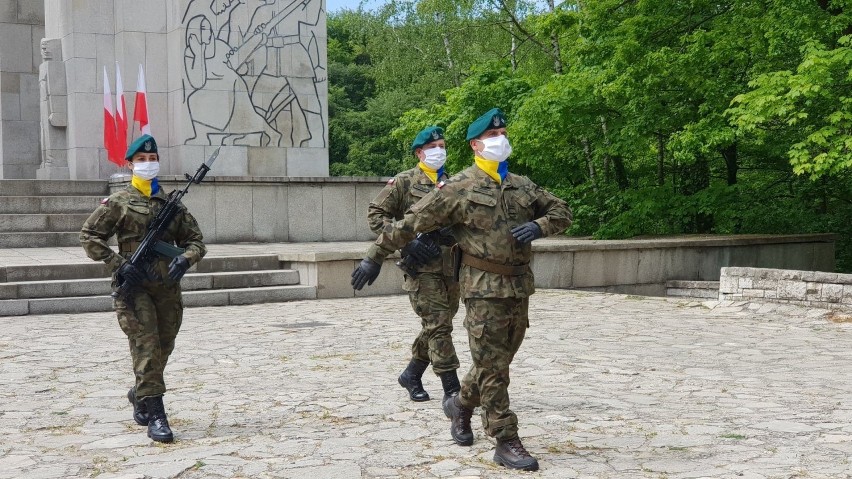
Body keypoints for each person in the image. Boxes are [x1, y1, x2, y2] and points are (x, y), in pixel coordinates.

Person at [352, 108, 572, 471]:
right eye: (492, 136)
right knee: (494, 367)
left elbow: (562, 211)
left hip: (519, 286)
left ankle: (460, 405)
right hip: (482, 288)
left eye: (503, 133)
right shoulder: (458, 187)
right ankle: (504, 438)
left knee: (495, 362)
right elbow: (411, 223)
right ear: (475, 145)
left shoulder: (521, 185)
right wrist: (374, 256)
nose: (500, 139)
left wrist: (540, 226)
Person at [80, 134, 207, 443]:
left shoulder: (172, 205)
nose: (148, 164)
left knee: (163, 347)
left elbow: (196, 242)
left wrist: (186, 259)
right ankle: (157, 415)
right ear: (130, 164)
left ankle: (140, 393)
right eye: (142, 160)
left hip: (167, 288)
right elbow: (89, 236)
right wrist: (118, 263)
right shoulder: (119, 203)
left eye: (153, 159)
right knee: (147, 347)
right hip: (134, 288)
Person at [367, 126, 462, 403]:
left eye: (443, 146)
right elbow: (376, 215)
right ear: (420, 153)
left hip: (451, 266)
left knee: (437, 326)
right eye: (433, 147)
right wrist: (406, 243)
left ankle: (411, 374)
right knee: (439, 325)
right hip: (421, 268)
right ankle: (452, 391)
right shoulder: (404, 182)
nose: (440, 151)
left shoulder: (454, 182)